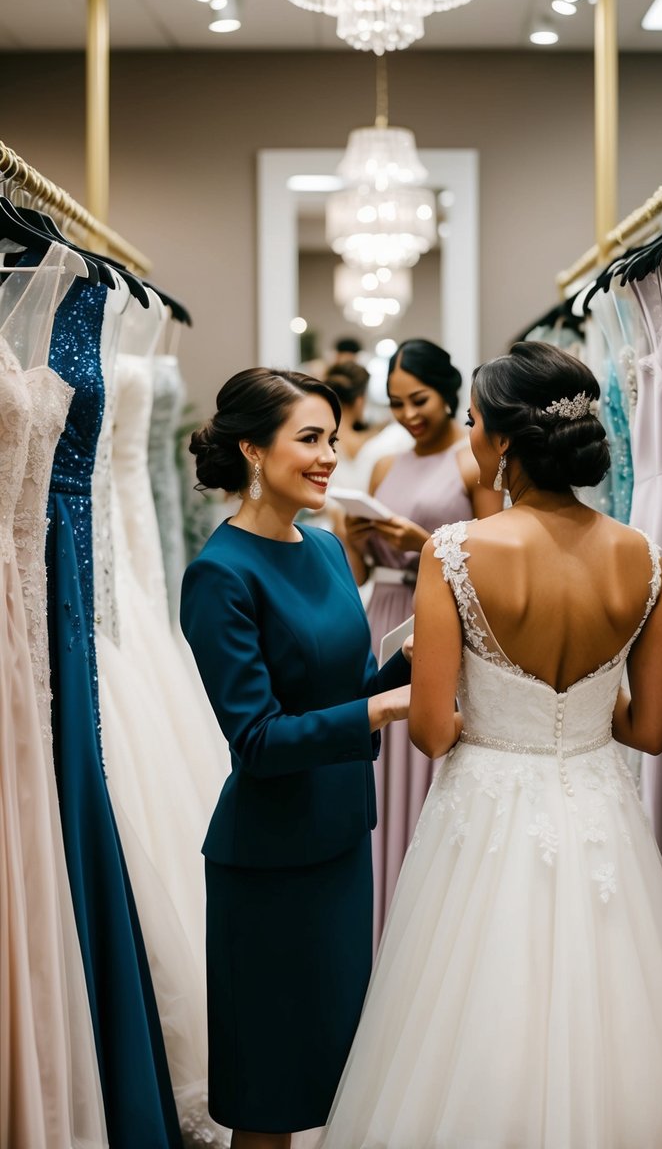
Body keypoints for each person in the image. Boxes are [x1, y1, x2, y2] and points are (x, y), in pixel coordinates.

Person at [321, 341, 662, 1149]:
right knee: (610, 1014)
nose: (468, 435)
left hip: (483, 809)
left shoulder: (456, 552)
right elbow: (652, 731)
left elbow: (430, 730)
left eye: (474, 420)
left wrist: (485, 707)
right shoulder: (645, 558)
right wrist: (581, 713)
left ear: (505, 444)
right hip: (599, 808)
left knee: (471, 1013)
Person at [179, 367, 412, 1149]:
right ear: (251, 447)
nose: (328, 457)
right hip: (270, 864)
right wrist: (381, 707)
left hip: (341, 840)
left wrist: (412, 663)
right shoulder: (219, 573)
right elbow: (258, 739)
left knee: (335, 1076)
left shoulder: (322, 547)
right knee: (272, 1100)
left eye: (332, 439)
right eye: (308, 439)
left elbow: (340, 690)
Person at [342, 338, 503, 941]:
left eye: (420, 400)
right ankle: (379, 920)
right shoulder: (385, 466)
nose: (408, 415)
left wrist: (426, 546)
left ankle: (427, 926)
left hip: (442, 618)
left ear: (449, 393)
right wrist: (355, 538)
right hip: (385, 613)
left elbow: (494, 560)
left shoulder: (471, 462)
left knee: (430, 758)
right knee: (383, 770)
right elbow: (360, 574)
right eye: (395, 403)